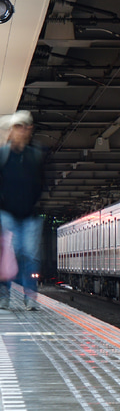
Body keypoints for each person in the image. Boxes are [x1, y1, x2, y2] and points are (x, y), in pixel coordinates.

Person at [0, 111, 48, 308]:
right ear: (11, 131)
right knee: (9, 252)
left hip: (29, 214)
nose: (22, 131)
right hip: (7, 213)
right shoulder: (3, 155)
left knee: (29, 254)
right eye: (18, 127)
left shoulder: (36, 155)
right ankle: (4, 295)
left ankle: (30, 296)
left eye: (25, 127)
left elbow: (42, 183)